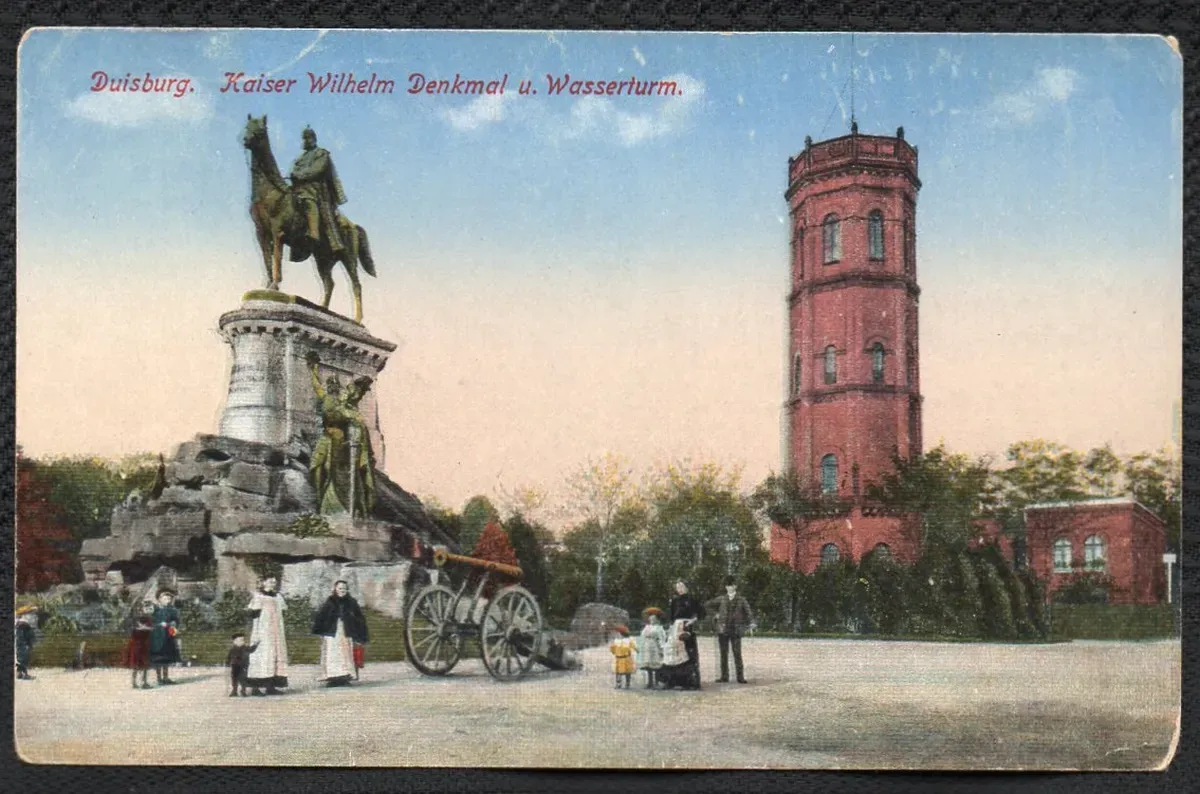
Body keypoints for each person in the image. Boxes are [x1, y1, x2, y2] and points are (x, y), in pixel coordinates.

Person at [290, 126, 347, 252]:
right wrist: (294, 174)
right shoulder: (301, 158)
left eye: (309, 138)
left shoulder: (322, 153)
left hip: (317, 189)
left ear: (314, 138)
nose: (307, 140)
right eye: (305, 138)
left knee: (308, 199)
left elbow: (317, 170)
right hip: (299, 188)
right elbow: (295, 170)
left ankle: (314, 233)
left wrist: (299, 175)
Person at [311, 580, 369, 687]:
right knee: (333, 654)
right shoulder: (330, 601)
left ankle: (345, 677)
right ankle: (333, 678)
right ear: (335, 589)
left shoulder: (352, 602)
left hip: (346, 632)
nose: (342, 591)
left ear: (347, 590)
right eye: (340, 588)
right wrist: (320, 629)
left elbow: (359, 617)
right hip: (332, 632)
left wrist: (359, 630)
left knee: (346, 653)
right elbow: (322, 616)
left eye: (344, 589)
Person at [705, 576, 756, 684]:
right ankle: (724, 676)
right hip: (723, 629)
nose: (730, 588)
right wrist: (715, 614)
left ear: (735, 586)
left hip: (736, 630)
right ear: (726, 587)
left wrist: (752, 622)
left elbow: (748, 612)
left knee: (737, 653)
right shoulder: (722, 598)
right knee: (723, 654)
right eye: (728, 586)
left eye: (731, 585)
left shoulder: (742, 599)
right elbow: (707, 605)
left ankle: (740, 677)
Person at [245, 576, 289, 695]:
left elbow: (282, 612)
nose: (273, 584)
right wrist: (256, 632)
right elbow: (254, 616)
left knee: (275, 655)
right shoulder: (259, 597)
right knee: (262, 655)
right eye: (270, 581)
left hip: (276, 631)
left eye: (274, 582)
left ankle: (271, 686)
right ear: (264, 582)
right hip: (263, 630)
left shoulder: (278, 597)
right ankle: (255, 687)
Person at [668, 580, 705, 689]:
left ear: (686, 587)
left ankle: (692, 682)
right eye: (678, 587)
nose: (680, 588)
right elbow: (671, 617)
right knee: (677, 653)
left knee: (690, 653)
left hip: (687, 626)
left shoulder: (692, 599)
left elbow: (701, 613)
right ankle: (678, 681)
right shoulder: (674, 601)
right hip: (676, 628)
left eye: (682, 586)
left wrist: (692, 621)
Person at [149, 589, 182, 685]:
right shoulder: (154, 610)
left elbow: (175, 621)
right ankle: (159, 678)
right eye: (165, 598)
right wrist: (159, 624)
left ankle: (166, 677)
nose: (168, 600)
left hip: (167, 636)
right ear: (159, 599)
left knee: (166, 658)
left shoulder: (171, 610)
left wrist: (173, 624)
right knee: (158, 658)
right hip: (157, 636)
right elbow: (149, 621)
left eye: (169, 598)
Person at [123, 606, 154, 689]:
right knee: (135, 665)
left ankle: (144, 682)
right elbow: (130, 631)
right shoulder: (132, 621)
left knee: (144, 664)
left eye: (141, 611)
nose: (140, 613)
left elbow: (151, 629)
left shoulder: (147, 620)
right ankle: (133, 682)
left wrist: (144, 627)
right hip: (135, 645)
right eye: (138, 611)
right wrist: (140, 628)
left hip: (144, 645)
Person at [636, 608, 667, 689]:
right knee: (648, 666)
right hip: (646, 647)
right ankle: (649, 682)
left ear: (657, 620)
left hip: (654, 647)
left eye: (653, 619)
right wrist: (639, 646)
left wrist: (662, 648)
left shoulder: (659, 628)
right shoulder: (647, 627)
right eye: (651, 619)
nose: (651, 620)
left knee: (655, 665)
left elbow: (661, 638)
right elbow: (642, 636)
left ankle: (656, 682)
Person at [225, 633, 257, 697]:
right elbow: (229, 657)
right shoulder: (232, 649)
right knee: (234, 679)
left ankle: (243, 691)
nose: (242, 642)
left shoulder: (245, 647)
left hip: (243, 666)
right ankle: (234, 691)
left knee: (243, 679)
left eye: (243, 640)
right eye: (240, 640)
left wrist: (255, 645)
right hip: (235, 666)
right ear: (235, 641)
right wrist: (227, 664)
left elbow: (251, 650)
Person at [606, 624, 635, 689]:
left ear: (620, 634)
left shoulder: (627, 641)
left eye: (616, 633)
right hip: (619, 658)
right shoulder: (616, 641)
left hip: (626, 658)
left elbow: (632, 646)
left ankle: (627, 684)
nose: (615, 635)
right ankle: (619, 683)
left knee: (627, 672)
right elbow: (612, 649)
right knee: (618, 672)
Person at [14, 605, 37, 680]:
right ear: (25, 615)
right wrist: (25, 645)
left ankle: (20, 673)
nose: (33, 616)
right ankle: (23, 674)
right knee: (23, 658)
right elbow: (21, 638)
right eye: (31, 613)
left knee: (24, 658)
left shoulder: (24, 625)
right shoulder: (22, 625)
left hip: (25, 645)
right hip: (23, 646)